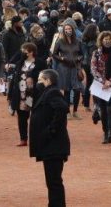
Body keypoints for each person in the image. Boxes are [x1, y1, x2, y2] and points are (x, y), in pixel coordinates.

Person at [29, 69, 70, 207]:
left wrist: (51, 130)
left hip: (54, 145)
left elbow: (62, 108)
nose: (38, 83)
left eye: (40, 80)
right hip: (51, 146)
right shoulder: (47, 92)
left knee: (54, 181)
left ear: (48, 81)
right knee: (52, 181)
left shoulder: (52, 92)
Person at [8, 42, 46, 146]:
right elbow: (14, 79)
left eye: (24, 50)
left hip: (35, 95)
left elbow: (44, 77)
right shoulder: (20, 63)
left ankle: (37, 138)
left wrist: (31, 75)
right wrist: (10, 94)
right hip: (21, 95)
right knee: (22, 118)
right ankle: (23, 139)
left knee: (36, 117)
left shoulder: (40, 63)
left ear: (31, 52)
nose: (22, 52)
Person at [90, 31, 111, 144]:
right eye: (105, 39)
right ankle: (105, 132)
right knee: (103, 110)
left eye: (109, 39)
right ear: (101, 40)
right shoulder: (96, 53)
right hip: (100, 85)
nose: (107, 41)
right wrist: (103, 81)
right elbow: (93, 69)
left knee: (110, 109)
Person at [52, 20, 84, 118]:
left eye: (69, 29)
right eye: (66, 29)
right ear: (63, 30)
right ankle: (67, 112)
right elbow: (54, 54)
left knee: (77, 89)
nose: (68, 30)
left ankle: (75, 111)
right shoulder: (60, 41)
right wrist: (61, 58)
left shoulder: (78, 41)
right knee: (66, 90)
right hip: (64, 68)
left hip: (75, 67)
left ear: (73, 30)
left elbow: (82, 54)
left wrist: (79, 59)